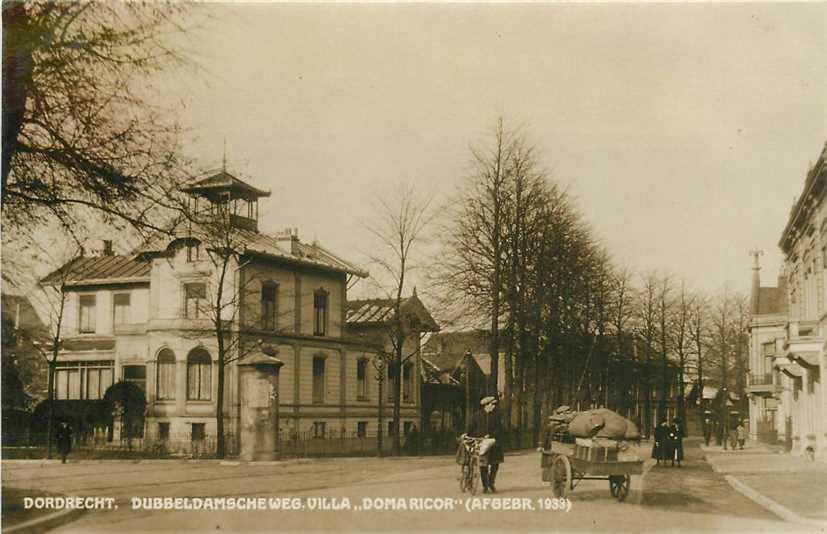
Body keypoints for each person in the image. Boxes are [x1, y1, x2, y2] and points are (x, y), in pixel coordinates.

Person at [466, 395, 504, 493]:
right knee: (483, 465)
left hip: (494, 443)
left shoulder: (496, 416)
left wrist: (491, 435)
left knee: (495, 464)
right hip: (482, 443)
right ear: (486, 405)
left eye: (494, 405)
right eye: (492, 404)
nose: (494, 407)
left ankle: (491, 482)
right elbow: (470, 429)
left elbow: (500, 429)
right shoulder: (476, 416)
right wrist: (468, 434)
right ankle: (485, 486)